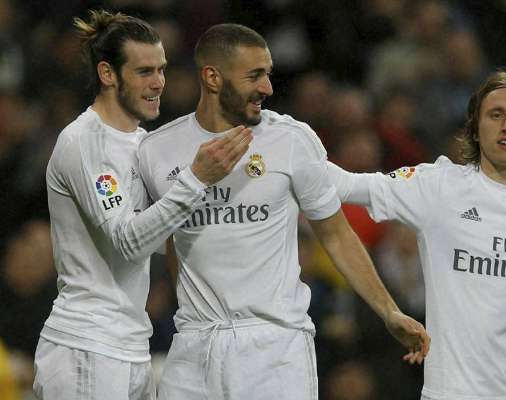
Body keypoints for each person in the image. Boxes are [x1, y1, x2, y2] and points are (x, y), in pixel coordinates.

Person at [137, 23, 429, 400]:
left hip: (275, 349)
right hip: (194, 347)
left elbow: (336, 235)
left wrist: (389, 311)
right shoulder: (157, 150)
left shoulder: (290, 140)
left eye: (269, 74)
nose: (267, 88)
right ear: (212, 77)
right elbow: (171, 242)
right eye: (254, 75)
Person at [327, 71, 506, 400]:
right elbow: (344, 183)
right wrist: (287, 146)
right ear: (474, 129)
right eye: (496, 115)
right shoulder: (437, 186)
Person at [33, 11, 252, 400]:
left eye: (162, 69)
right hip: (87, 348)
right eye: (145, 71)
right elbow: (128, 241)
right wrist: (196, 178)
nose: (159, 83)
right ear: (108, 74)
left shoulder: (142, 144)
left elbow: (161, 234)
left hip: (132, 347)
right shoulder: (84, 142)